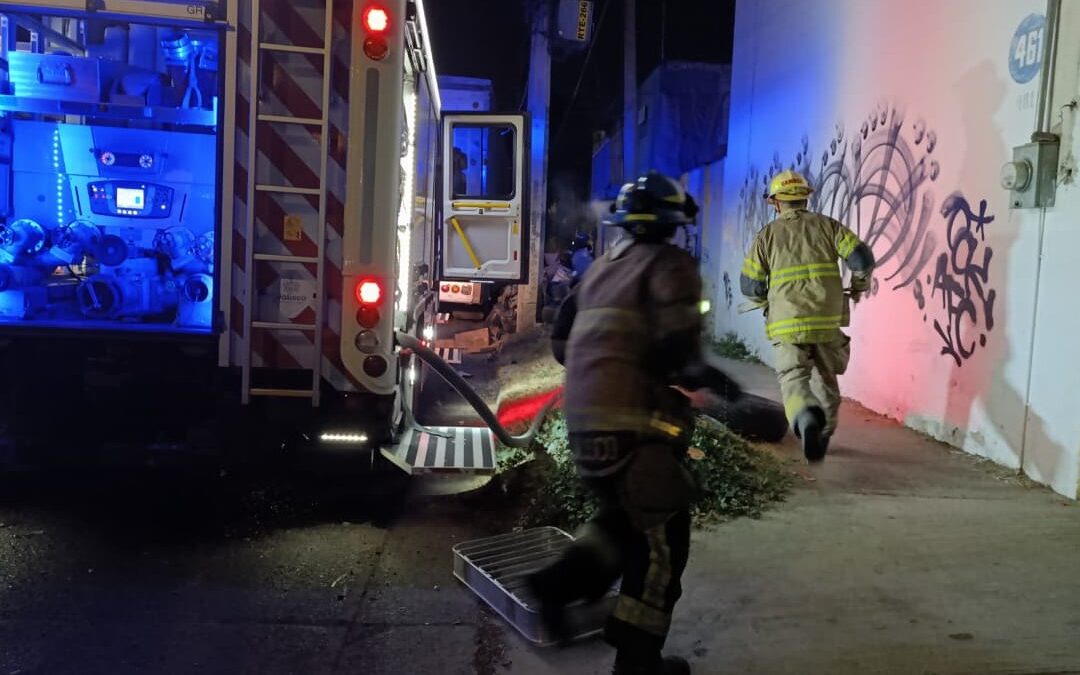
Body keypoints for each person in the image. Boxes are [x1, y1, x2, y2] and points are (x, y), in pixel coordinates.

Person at [529, 172, 743, 675]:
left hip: (584, 428)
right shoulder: (672, 265)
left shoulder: (601, 267)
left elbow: (561, 343)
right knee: (666, 543)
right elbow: (678, 352)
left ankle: (556, 585)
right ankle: (637, 663)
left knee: (623, 525)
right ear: (672, 223)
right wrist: (718, 381)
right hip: (634, 431)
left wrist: (606, 365)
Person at [739, 169, 876, 462]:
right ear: (804, 198)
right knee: (826, 378)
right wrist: (859, 286)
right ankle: (823, 433)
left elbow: (749, 285)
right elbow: (862, 258)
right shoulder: (828, 226)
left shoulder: (768, 236)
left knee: (794, 377)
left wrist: (765, 302)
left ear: (775, 202)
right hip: (826, 320)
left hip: (786, 322)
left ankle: (804, 417)